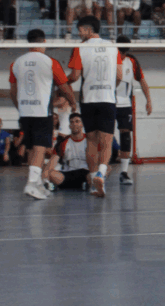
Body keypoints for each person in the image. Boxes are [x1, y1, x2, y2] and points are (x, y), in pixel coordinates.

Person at [9, 28, 76, 199]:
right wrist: (73, 101)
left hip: (25, 111)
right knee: (40, 146)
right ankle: (31, 183)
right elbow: (64, 86)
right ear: (44, 42)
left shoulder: (16, 62)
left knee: (31, 147)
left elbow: (13, 92)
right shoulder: (50, 62)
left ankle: (38, 183)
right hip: (41, 111)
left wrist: (20, 107)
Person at [67, 16, 123, 197]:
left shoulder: (81, 48)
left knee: (91, 140)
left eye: (80, 29)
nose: (78, 33)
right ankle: (101, 173)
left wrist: (62, 83)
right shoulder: (113, 47)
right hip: (107, 98)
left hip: (89, 100)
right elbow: (120, 75)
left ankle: (93, 181)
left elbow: (75, 76)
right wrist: (109, 87)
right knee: (106, 141)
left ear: (89, 30)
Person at [114, 35, 152, 184]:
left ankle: (124, 172)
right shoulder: (110, 58)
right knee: (105, 136)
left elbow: (142, 80)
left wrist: (148, 100)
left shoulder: (132, 61)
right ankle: (99, 172)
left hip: (124, 104)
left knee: (126, 135)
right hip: (108, 102)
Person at [46, 113, 91, 191]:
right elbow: (52, 163)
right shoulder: (63, 142)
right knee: (50, 172)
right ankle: (84, 185)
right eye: (72, 122)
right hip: (68, 174)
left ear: (82, 124)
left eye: (77, 121)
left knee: (104, 169)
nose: (74, 124)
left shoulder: (90, 141)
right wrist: (45, 178)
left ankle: (88, 183)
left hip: (86, 172)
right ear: (69, 126)